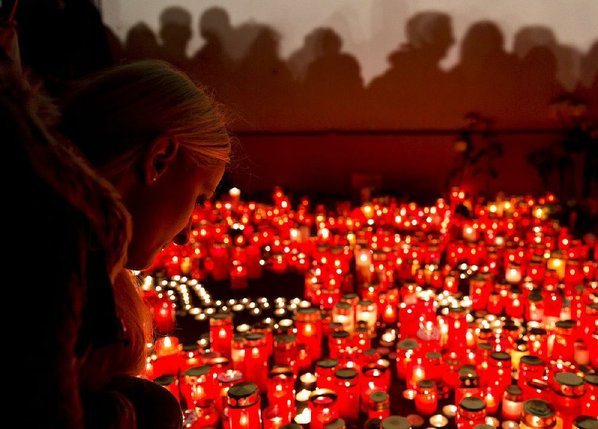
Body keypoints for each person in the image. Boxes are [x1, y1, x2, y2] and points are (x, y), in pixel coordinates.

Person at [57, 59, 232, 428]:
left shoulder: (81, 253)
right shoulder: (56, 277)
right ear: (159, 159)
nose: (187, 234)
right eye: (199, 198)